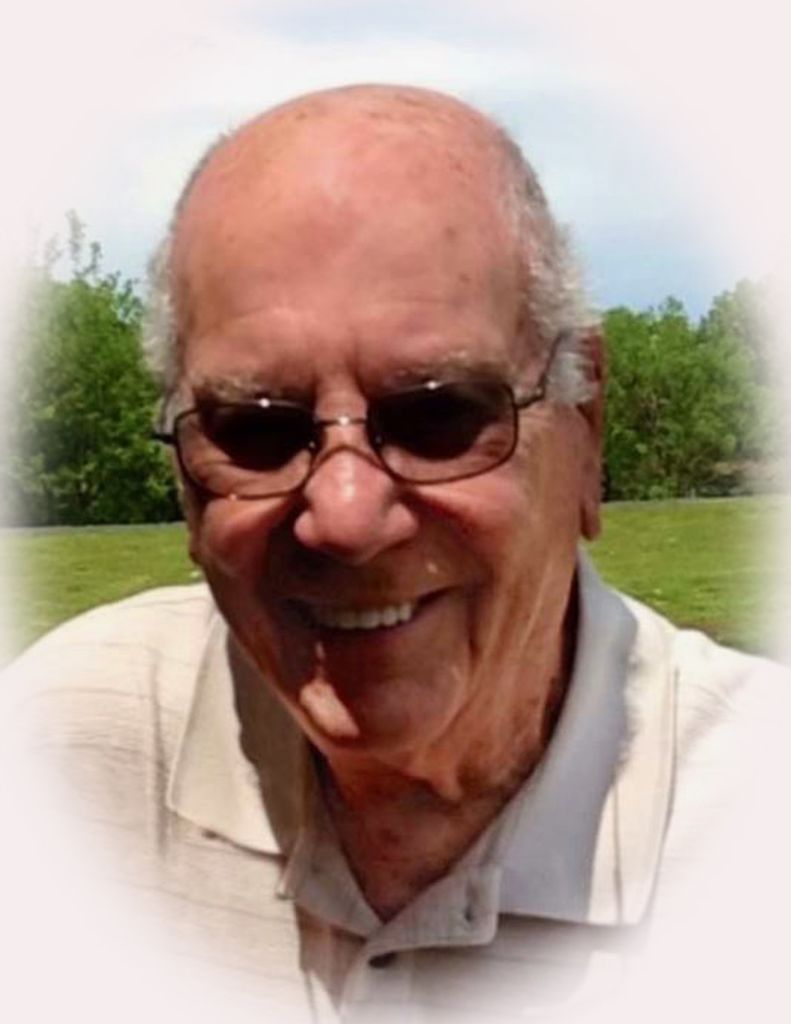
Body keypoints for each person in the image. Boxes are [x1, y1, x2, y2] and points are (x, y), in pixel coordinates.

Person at [7, 84, 790, 1022]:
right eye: (256, 429)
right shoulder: (62, 752)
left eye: (438, 416)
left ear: (583, 427)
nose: (343, 515)